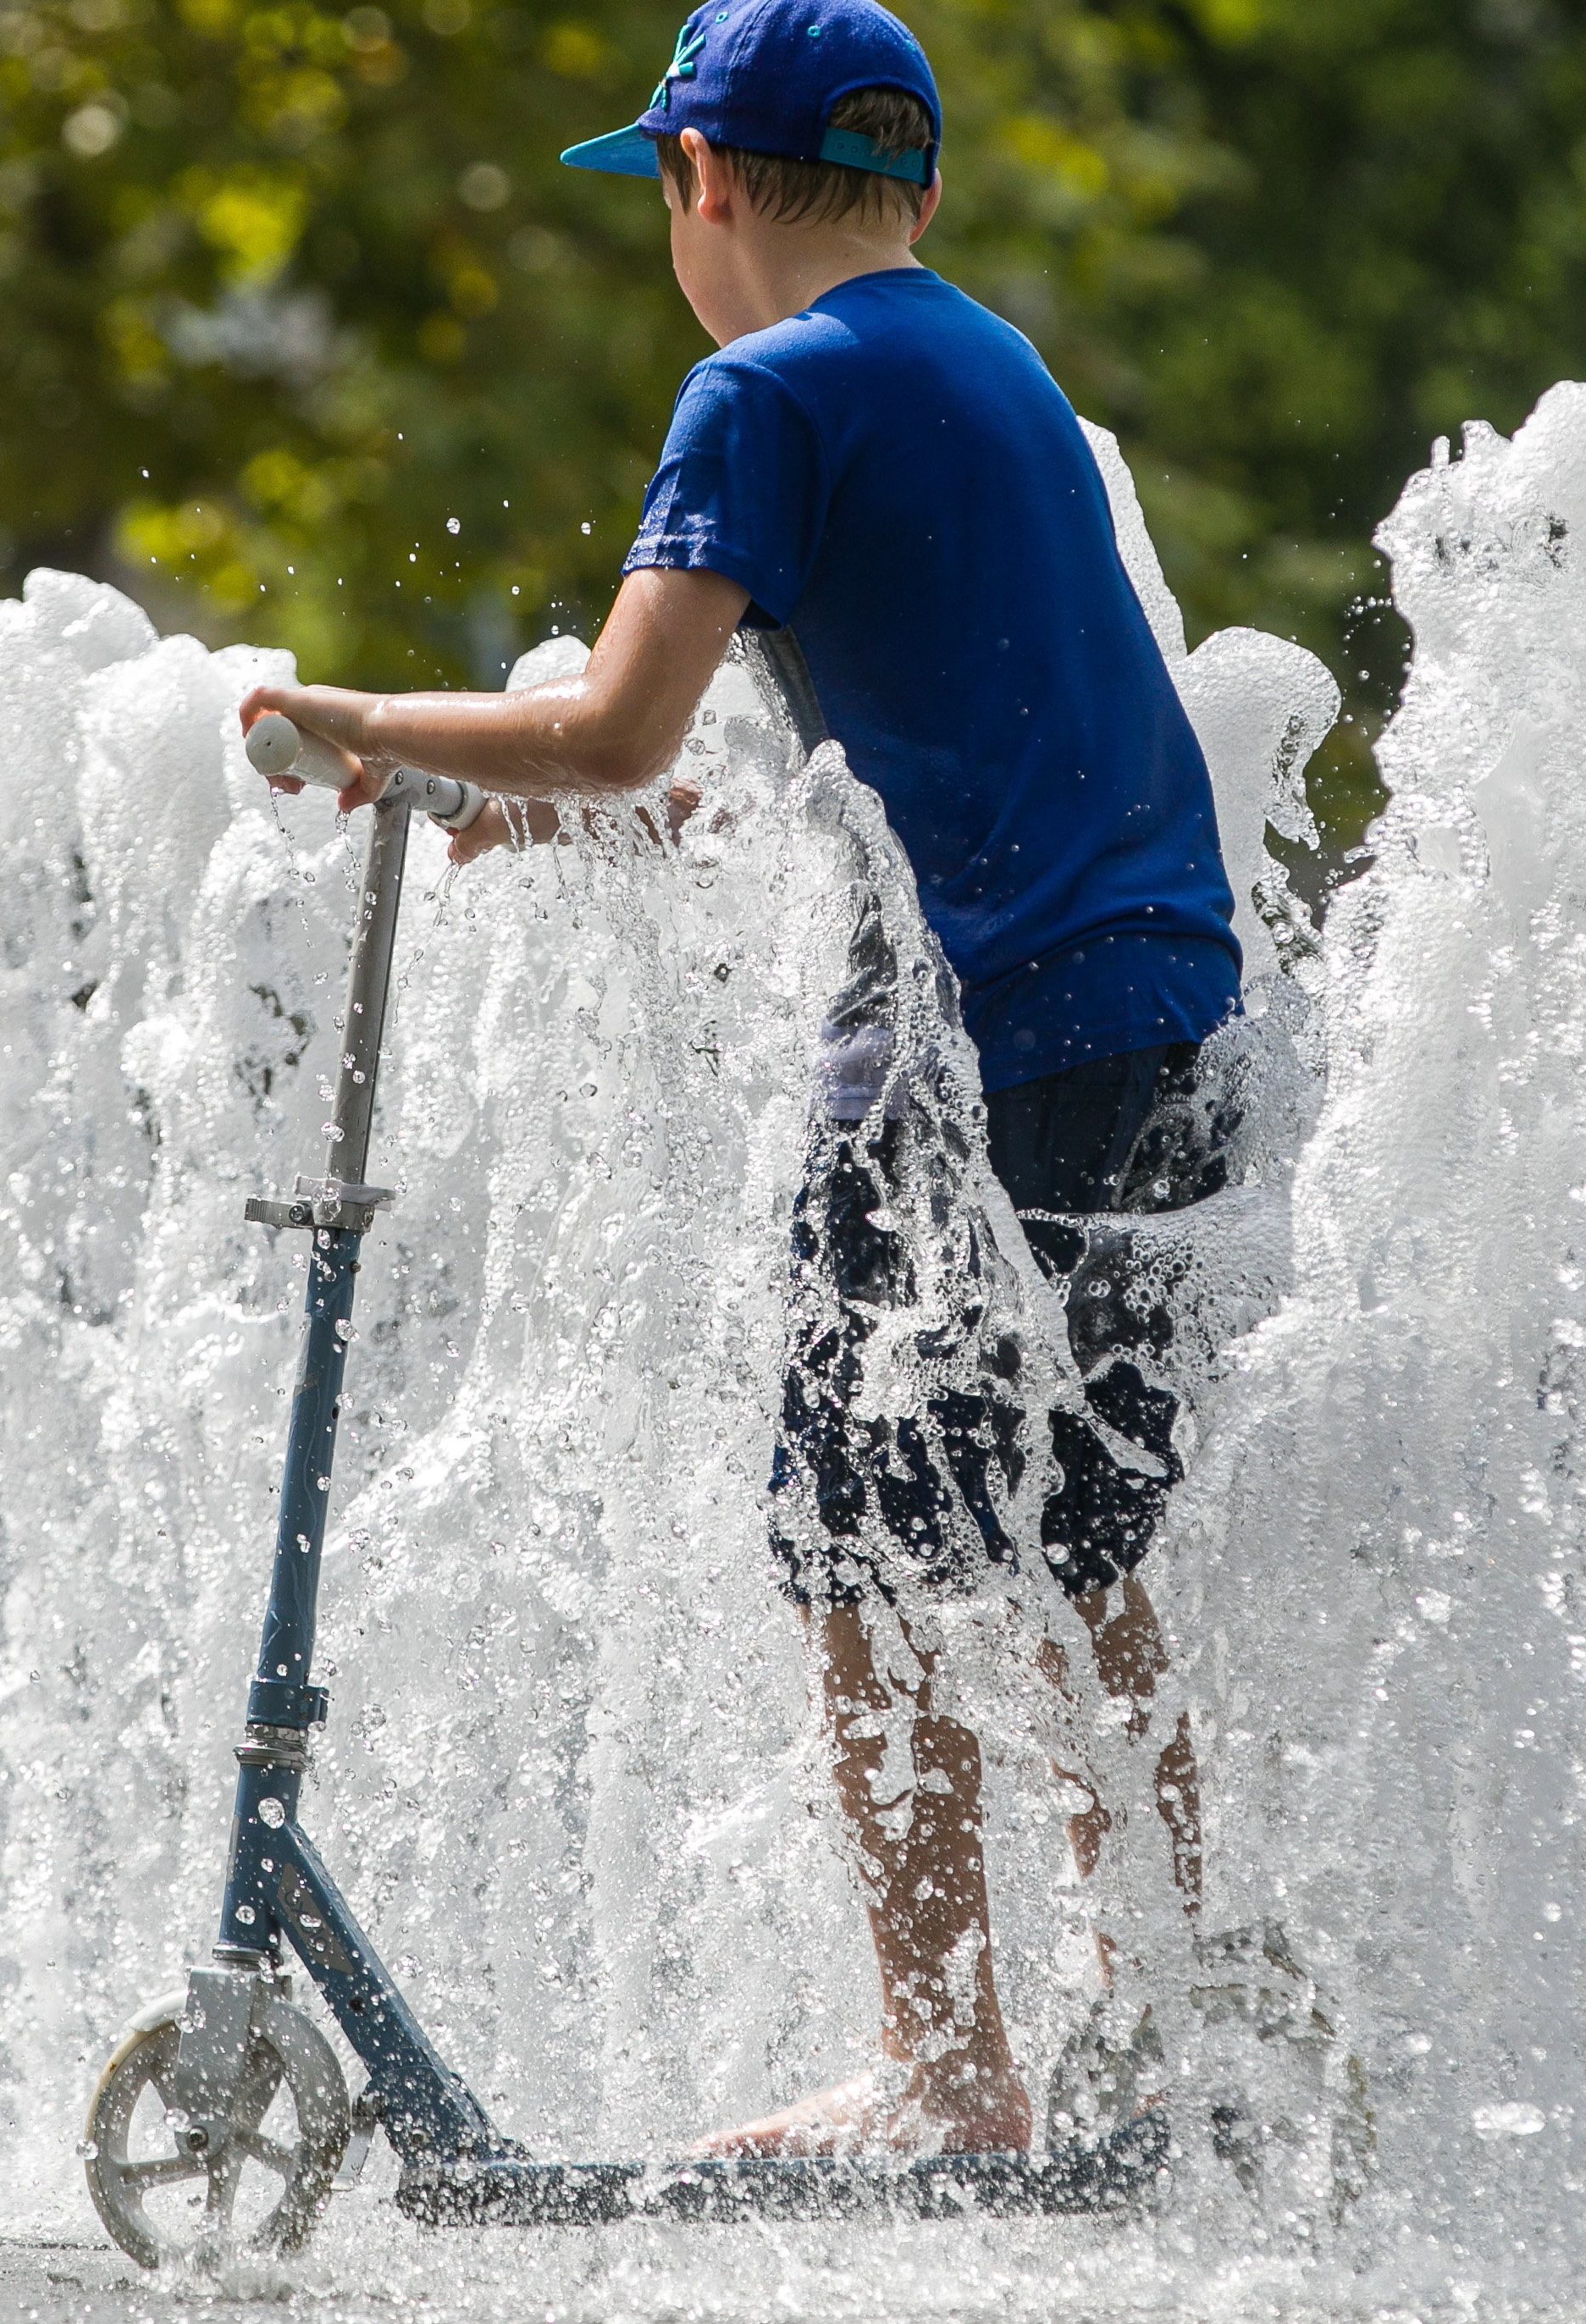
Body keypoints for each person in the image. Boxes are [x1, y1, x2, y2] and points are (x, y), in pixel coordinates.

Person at [230, 0, 1235, 2160]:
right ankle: (1174, 2011)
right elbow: (878, 762)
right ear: (921, 189)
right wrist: (587, 812)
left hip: (960, 1050)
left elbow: (617, 721)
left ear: (694, 183)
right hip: (1147, 1011)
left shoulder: (756, 389)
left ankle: (950, 2076)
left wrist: (369, 722)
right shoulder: (992, 365)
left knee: (848, 1554)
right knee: (1081, 1538)